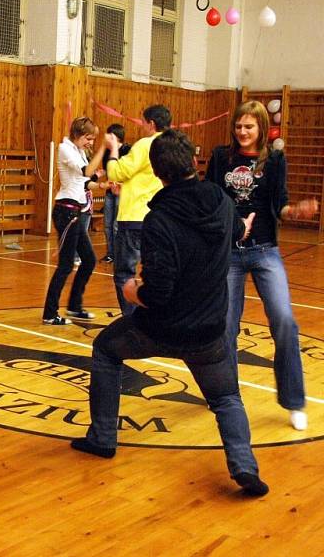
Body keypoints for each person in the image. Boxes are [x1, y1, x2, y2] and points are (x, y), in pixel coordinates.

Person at [71, 128, 269, 498]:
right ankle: (243, 465)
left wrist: (133, 291)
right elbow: (233, 237)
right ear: (194, 161)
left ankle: (102, 438)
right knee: (226, 398)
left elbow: (158, 293)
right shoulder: (222, 203)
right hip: (209, 331)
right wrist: (242, 230)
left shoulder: (160, 219)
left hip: (161, 327)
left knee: (105, 350)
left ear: (157, 172)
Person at [207, 100, 319, 431]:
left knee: (284, 320)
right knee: (226, 326)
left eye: (249, 126)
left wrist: (293, 212)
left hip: (265, 250)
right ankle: (225, 394)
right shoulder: (220, 157)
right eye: (239, 126)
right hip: (229, 252)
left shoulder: (275, 160)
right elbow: (212, 199)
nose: (243, 132)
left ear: (261, 128)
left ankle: (294, 401)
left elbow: (280, 204)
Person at [42, 117, 108, 325]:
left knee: (88, 260)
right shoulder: (65, 149)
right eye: (89, 138)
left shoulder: (78, 151)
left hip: (76, 212)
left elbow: (85, 182)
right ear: (78, 135)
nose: (90, 143)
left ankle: (74, 306)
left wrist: (106, 185)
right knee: (66, 264)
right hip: (66, 212)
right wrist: (103, 150)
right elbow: (86, 172)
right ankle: (49, 313)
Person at [106, 105, 168, 316]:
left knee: (124, 273)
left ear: (151, 123)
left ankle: (132, 322)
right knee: (156, 273)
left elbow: (117, 172)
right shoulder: (173, 144)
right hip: (161, 218)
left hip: (134, 217)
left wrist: (113, 149)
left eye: (143, 122)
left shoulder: (145, 145)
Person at [99, 124, 130, 263]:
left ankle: (119, 255)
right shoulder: (107, 152)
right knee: (107, 224)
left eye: (111, 137)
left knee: (117, 225)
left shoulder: (127, 150)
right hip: (110, 191)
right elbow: (109, 169)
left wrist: (121, 185)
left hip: (122, 191)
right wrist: (101, 174)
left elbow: (126, 171)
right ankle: (110, 253)